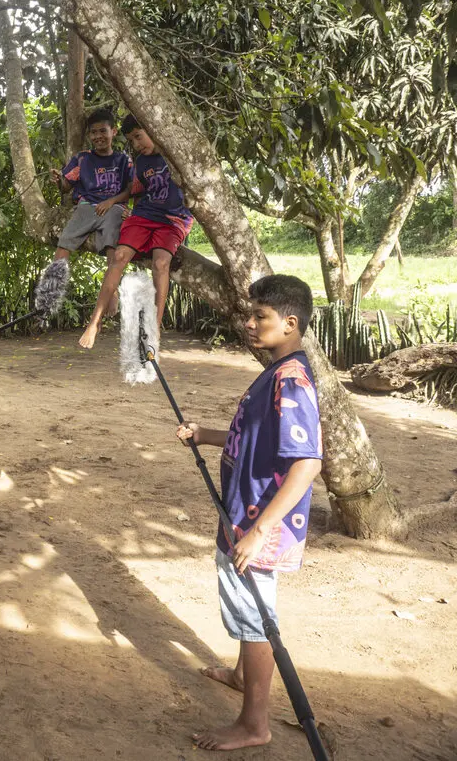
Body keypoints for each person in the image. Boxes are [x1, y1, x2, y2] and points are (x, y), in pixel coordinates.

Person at [174, 275, 322, 752]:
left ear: (290, 323)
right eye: (251, 314)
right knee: (245, 607)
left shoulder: (292, 380)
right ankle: (241, 676)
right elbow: (254, 440)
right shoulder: (275, 371)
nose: (250, 323)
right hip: (241, 511)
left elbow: (306, 464)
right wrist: (207, 436)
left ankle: (254, 724)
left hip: (258, 521)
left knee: (256, 617)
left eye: (261, 316)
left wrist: (260, 531)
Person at [78, 114, 194, 350]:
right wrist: (124, 209)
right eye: (132, 140)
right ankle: (95, 321)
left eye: (139, 137)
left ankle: (155, 327)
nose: (137, 144)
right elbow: (136, 190)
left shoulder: (176, 156)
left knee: (161, 264)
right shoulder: (140, 162)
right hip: (144, 215)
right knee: (119, 257)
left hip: (173, 220)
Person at [50, 108, 135, 314]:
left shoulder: (124, 160)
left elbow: (131, 189)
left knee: (112, 248)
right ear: (89, 135)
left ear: (113, 132)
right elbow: (66, 187)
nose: (98, 136)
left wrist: (111, 201)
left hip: (114, 208)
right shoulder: (82, 159)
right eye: (93, 133)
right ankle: (50, 291)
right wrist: (58, 180)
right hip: (87, 207)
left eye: (102, 131)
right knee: (64, 243)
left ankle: (111, 295)